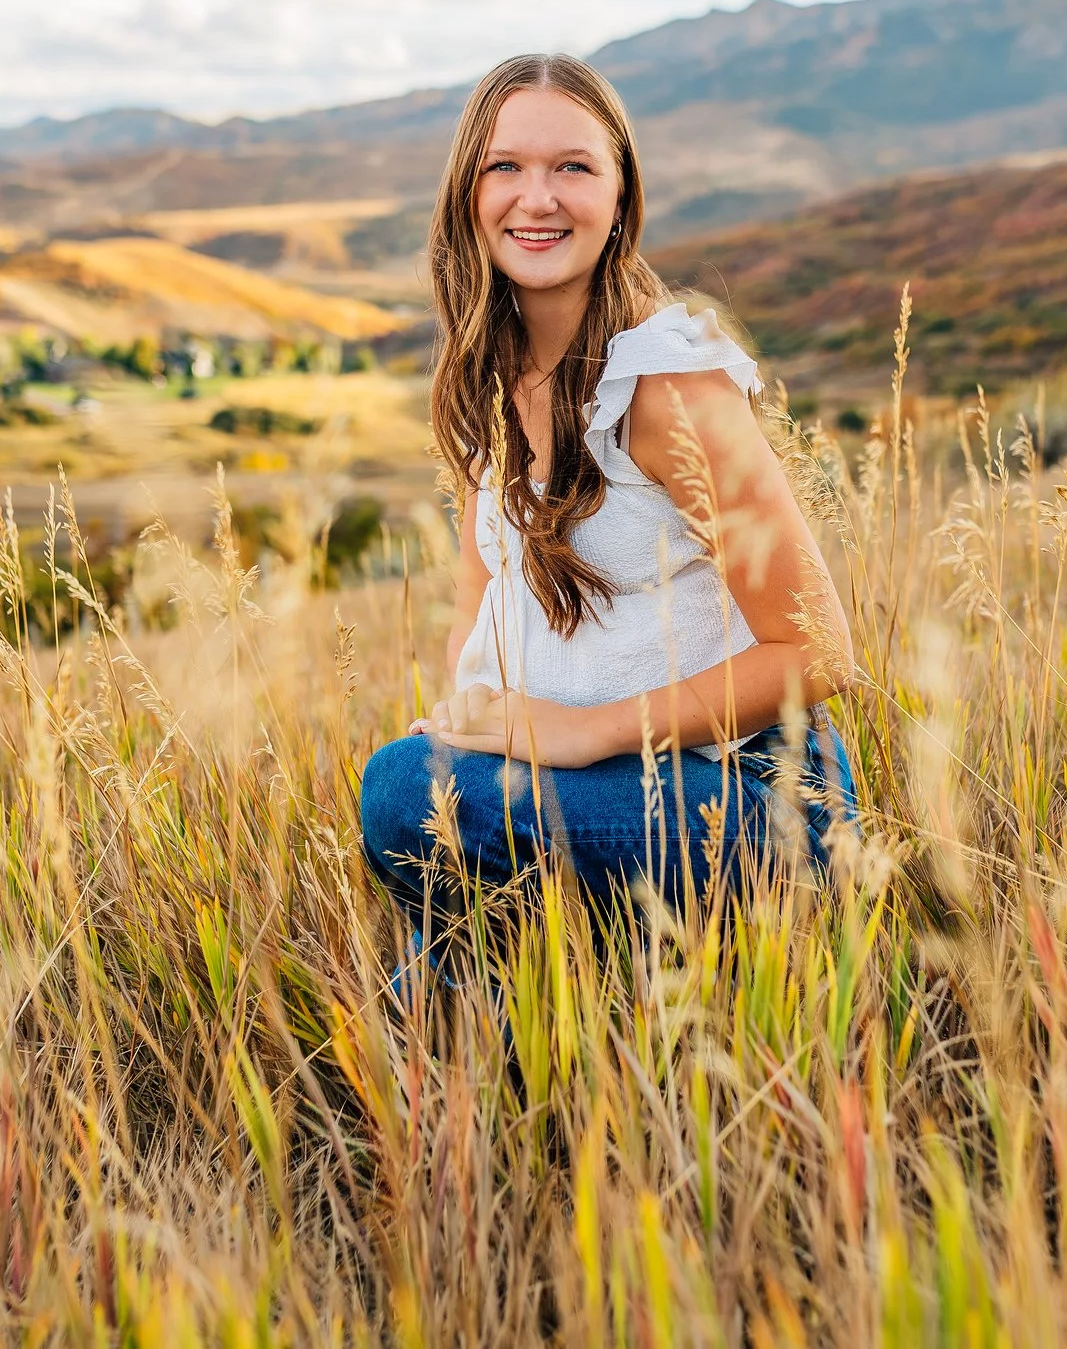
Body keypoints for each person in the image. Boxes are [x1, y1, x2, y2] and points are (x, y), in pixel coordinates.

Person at [358, 53, 857, 938]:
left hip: (753, 801)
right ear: (466, 195)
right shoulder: (490, 380)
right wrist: (472, 719)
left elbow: (818, 653)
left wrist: (581, 732)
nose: (537, 197)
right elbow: (481, 609)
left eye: (573, 168)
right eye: (505, 166)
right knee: (427, 798)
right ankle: (503, 1003)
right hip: (609, 792)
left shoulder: (667, 388)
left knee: (401, 788)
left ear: (621, 197)